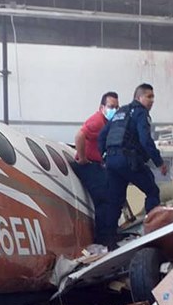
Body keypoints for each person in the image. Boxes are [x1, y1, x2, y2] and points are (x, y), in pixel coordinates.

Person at [96, 83, 168, 247]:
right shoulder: (141, 113)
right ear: (139, 97)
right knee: (152, 190)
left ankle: (110, 241)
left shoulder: (121, 112)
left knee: (115, 200)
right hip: (128, 160)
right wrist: (159, 163)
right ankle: (152, 234)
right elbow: (145, 140)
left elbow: (102, 136)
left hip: (112, 162)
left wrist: (105, 157)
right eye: (149, 96)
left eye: (153, 97)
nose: (152, 100)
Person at [72, 91, 119, 245]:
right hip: (88, 165)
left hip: (97, 163)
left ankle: (109, 235)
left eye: (117, 107)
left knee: (111, 196)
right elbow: (79, 135)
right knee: (104, 200)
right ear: (102, 107)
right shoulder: (97, 121)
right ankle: (102, 240)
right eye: (111, 106)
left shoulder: (108, 123)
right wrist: (83, 158)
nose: (115, 110)